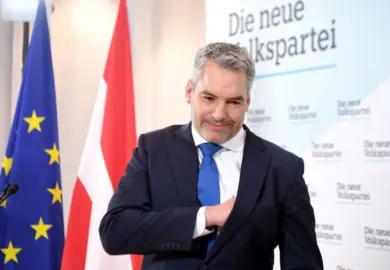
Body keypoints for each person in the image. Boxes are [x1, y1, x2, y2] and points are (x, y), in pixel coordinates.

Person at [99, 42, 323, 270]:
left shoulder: (283, 168)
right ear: (189, 92)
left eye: (234, 102)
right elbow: (115, 231)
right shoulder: (153, 148)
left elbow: (303, 263)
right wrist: (206, 216)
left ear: (247, 102)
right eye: (209, 98)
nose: (219, 114)